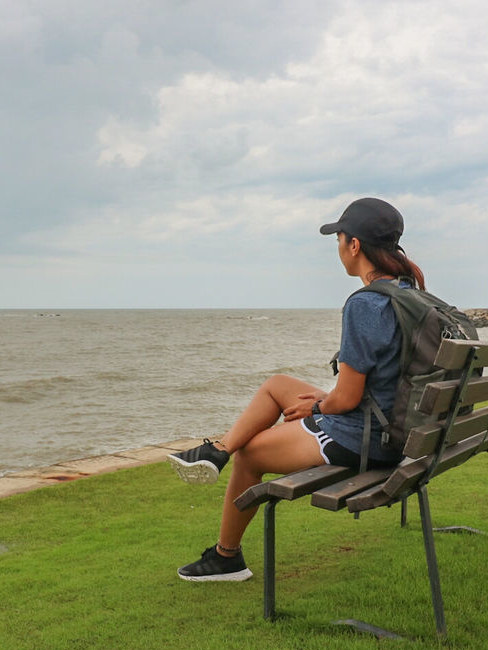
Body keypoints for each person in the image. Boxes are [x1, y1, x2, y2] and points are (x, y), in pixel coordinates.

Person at [168, 197, 425, 581]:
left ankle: (226, 557)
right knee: (279, 385)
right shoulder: (411, 293)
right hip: (404, 429)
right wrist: (324, 401)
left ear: (353, 245)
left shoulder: (366, 305)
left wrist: (320, 408)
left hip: (369, 437)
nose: (338, 248)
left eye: (339, 239)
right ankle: (218, 450)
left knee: (252, 454)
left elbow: (349, 398)